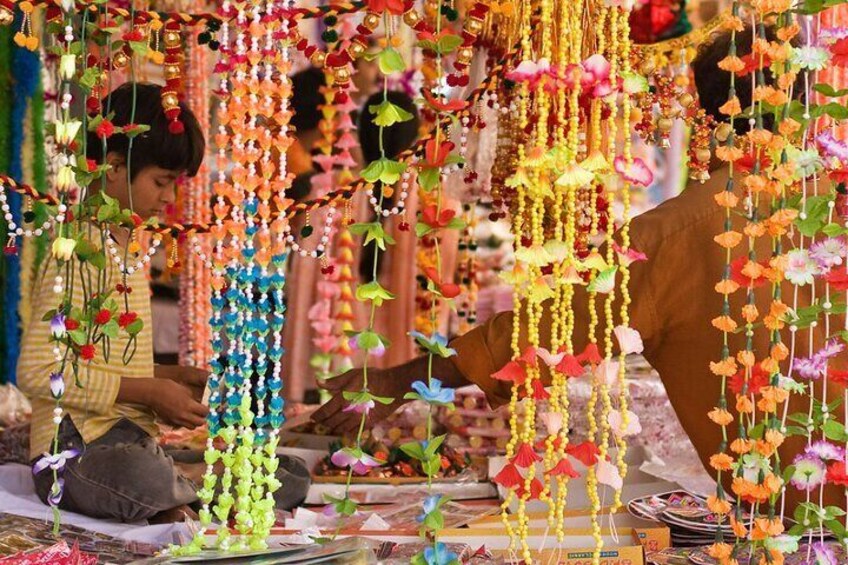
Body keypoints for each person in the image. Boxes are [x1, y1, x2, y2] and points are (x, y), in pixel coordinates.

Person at [314, 27, 840, 513]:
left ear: (708, 111)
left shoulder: (672, 235)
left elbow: (534, 335)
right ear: (809, 102)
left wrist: (395, 381)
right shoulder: (819, 205)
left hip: (795, 521)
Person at [18, 83, 309, 524]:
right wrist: (149, 392)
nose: (170, 199)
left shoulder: (131, 246)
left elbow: (102, 361)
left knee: (289, 472)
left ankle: (183, 483)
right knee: (143, 474)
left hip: (132, 439)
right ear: (114, 167)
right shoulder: (77, 250)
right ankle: (182, 484)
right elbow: (39, 372)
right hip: (72, 453)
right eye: (162, 182)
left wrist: (173, 377)